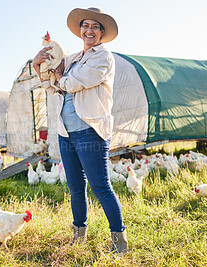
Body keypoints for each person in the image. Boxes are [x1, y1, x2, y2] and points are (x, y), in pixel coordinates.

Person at [33, 7, 128, 254]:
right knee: (75, 187)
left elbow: (73, 83)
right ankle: (79, 235)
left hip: (89, 130)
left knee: (100, 186)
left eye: (95, 26)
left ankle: (120, 242)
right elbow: (55, 87)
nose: (89, 30)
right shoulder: (74, 58)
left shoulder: (103, 57)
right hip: (66, 132)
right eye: (86, 25)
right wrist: (38, 68)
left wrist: (59, 74)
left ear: (102, 33)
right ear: (80, 30)